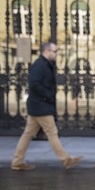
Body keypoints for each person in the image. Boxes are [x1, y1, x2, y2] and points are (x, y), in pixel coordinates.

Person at [11, 42, 82, 171]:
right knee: (52, 132)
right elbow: (34, 84)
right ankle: (66, 159)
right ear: (46, 52)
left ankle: (17, 161)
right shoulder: (39, 65)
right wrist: (47, 96)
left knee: (27, 134)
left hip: (38, 105)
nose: (56, 54)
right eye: (54, 52)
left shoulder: (45, 65)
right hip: (41, 106)